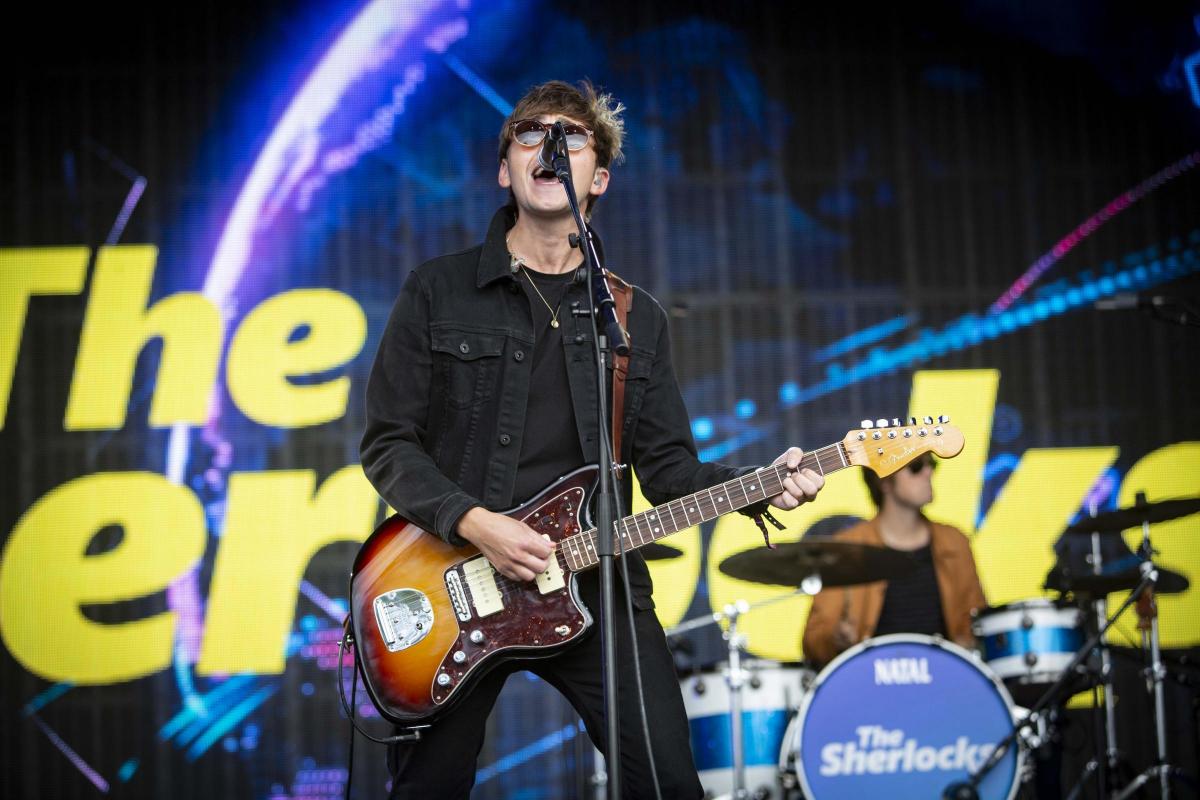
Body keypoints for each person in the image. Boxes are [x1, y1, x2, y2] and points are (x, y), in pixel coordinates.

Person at [360, 79, 826, 800]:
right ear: (505, 168)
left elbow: (669, 469)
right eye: (530, 134)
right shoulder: (437, 291)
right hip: (456, 578)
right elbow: (389, 441)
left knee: (668, 785)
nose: (549, 146)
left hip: (595, 580)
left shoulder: (634, 318)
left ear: (598, 178)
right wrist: (477, 524)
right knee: (430, 788)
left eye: (571, 137)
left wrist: (766, 480)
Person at [801, 454, 985, 668]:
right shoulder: (846, 548)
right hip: (871, 683)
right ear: (884, 481)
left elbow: (981, 624)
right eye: (916, 467)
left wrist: (970, 643)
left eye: (931, 464)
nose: (929, 472)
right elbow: (813, 643)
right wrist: (836, 639)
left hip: (945, 681)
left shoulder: (955, 541)